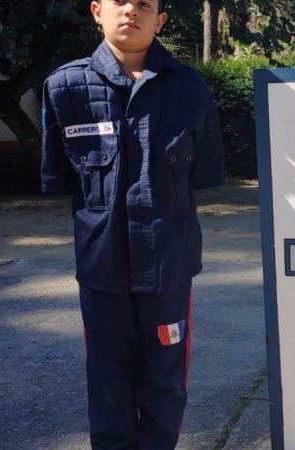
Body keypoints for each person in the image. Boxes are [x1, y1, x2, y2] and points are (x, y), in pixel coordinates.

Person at [40, 0, 224, 447]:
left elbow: (203, 172)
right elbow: (61, 176)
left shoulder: (191, 90)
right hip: (102, 269)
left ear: (159, 20)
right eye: (120, 1)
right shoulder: (65, 88)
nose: (131, 11)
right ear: (97, 11)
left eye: (144, 4)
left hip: (168, 268)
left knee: (165, 381)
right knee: (107, 379)